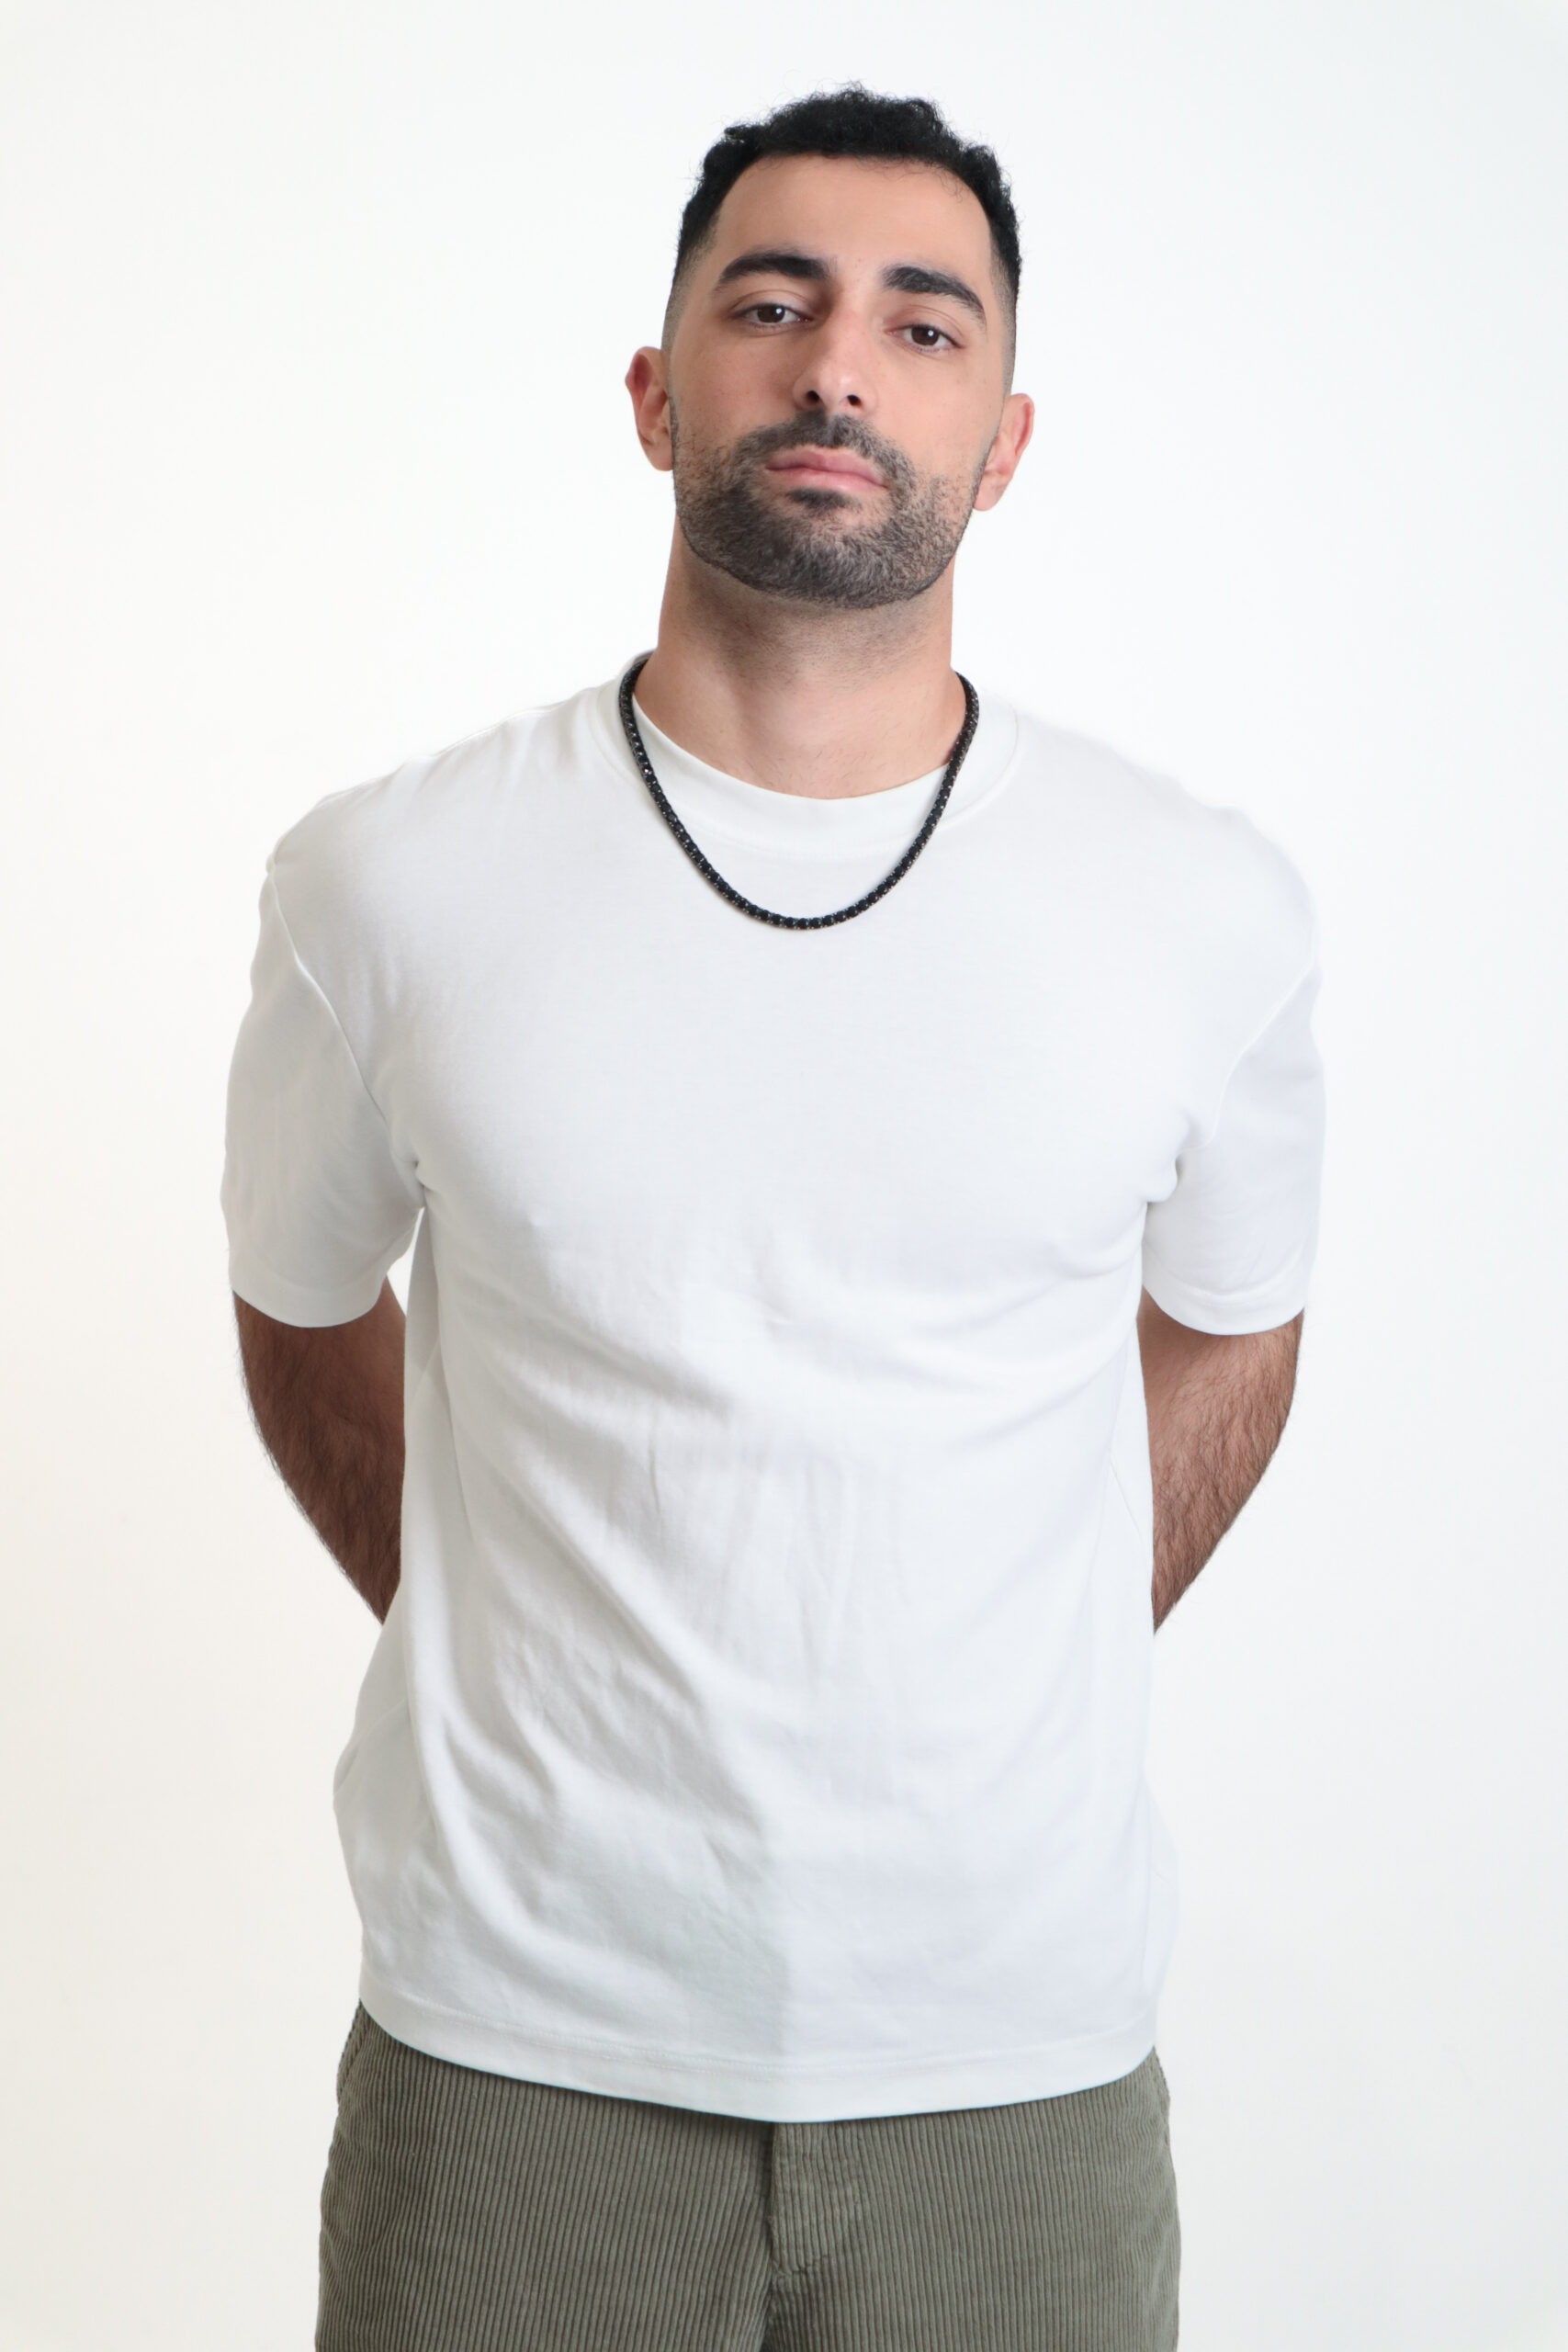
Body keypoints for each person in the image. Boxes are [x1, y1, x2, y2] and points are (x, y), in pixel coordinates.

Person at [222, 85, 1324, 2352]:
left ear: (1001, 442)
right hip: (511, 2057)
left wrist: (1028, 1635)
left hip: (1010, 2067)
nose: (837, 367)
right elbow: (299, 1296)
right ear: (655, 393)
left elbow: (1232, 1320)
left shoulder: (1193, 909)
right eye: (770, 305)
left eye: (921, 326)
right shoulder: (391, 883)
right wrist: (505, 1625)